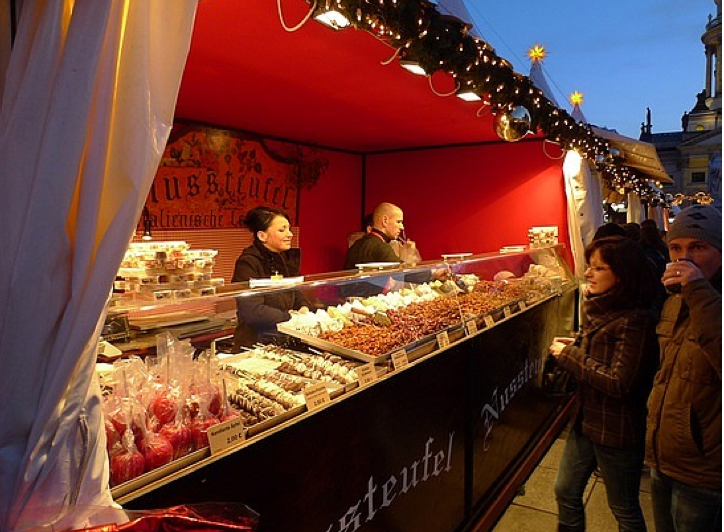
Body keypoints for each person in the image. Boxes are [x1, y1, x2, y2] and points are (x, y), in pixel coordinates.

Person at [549, 236, 661, 532]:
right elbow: (603, 356)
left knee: (623, 508)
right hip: (586, 419)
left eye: (597, 268)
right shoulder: (602, 306)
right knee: (565, 490)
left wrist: (570, 355)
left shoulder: (636, 320)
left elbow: (619, 382)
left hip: (617, 430)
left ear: (621, 273)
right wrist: (576, 344)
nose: (587, 273)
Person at [645, 205, 722, 532]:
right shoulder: (675, 299)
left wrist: (699, 293)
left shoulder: (705, 299)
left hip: (704, 470)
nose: (684, 257)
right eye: (676, 248)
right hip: (662, 455)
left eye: (698, 247)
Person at [231, 206, 308, 348]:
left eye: (289, 229)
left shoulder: (286, 259)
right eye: (282, 230)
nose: (290, 234)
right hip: (255, 342)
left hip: (285, 337)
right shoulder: (248, 262)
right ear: (262, 236)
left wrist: (303, 307)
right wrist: (290, 316)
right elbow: (252, 311)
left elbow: (295, 291)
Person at [344, 202, 404, 269]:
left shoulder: (354, 246)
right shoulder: (382, 248)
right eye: (398, 222)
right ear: (385, 221)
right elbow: (405, 274)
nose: (402, 227)